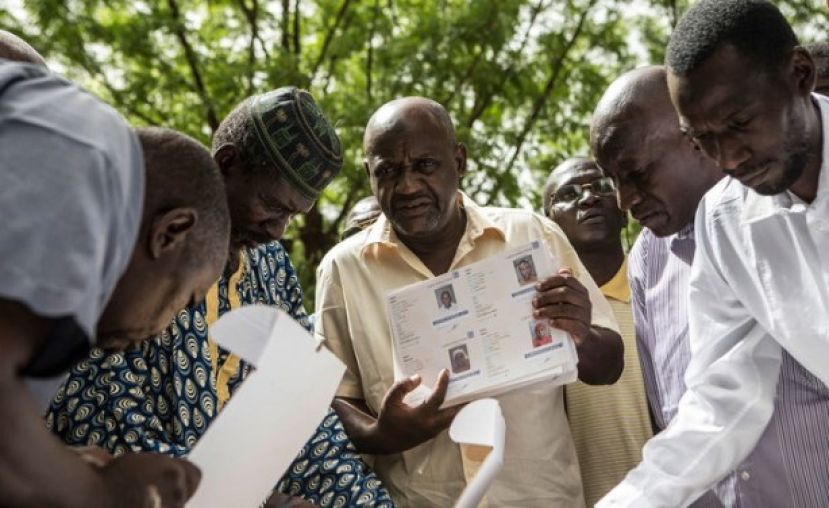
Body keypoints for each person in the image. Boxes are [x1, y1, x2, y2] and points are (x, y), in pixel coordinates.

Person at [47, 87, 393, 507]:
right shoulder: (137, 257)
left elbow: (303, 419)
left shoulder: (273, 270)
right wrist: (251, 500)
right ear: (227, 163)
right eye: (271, 205)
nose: (278, 230)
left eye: (292, 216)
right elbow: (107, 421)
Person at [316, 96, 623, 507]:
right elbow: (332, 395)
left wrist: (581, 333)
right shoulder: (343, 269)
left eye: (425, 165)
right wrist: (381, 435)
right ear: (369, 174)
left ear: (458, 161)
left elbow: (610, 365)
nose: (407, 186)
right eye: (388, 171)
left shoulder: (531, 235)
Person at [598, 1, 829, 505]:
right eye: (703, 140)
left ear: (800, 74)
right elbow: (724, 399)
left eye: (739, 123)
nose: (729, 159)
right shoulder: (725, 220)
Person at [0, 61, 230, 507]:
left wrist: (62, 466)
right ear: (170, 232)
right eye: (183, 301)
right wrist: (101, 492)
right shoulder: (87, 151)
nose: (163, 330)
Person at [543, 157, 653, 506]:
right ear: (549, 225)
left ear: (623, 210)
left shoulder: (659, 292)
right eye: (569, 193)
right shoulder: (539, 316)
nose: (588, 198)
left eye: (602, 187)